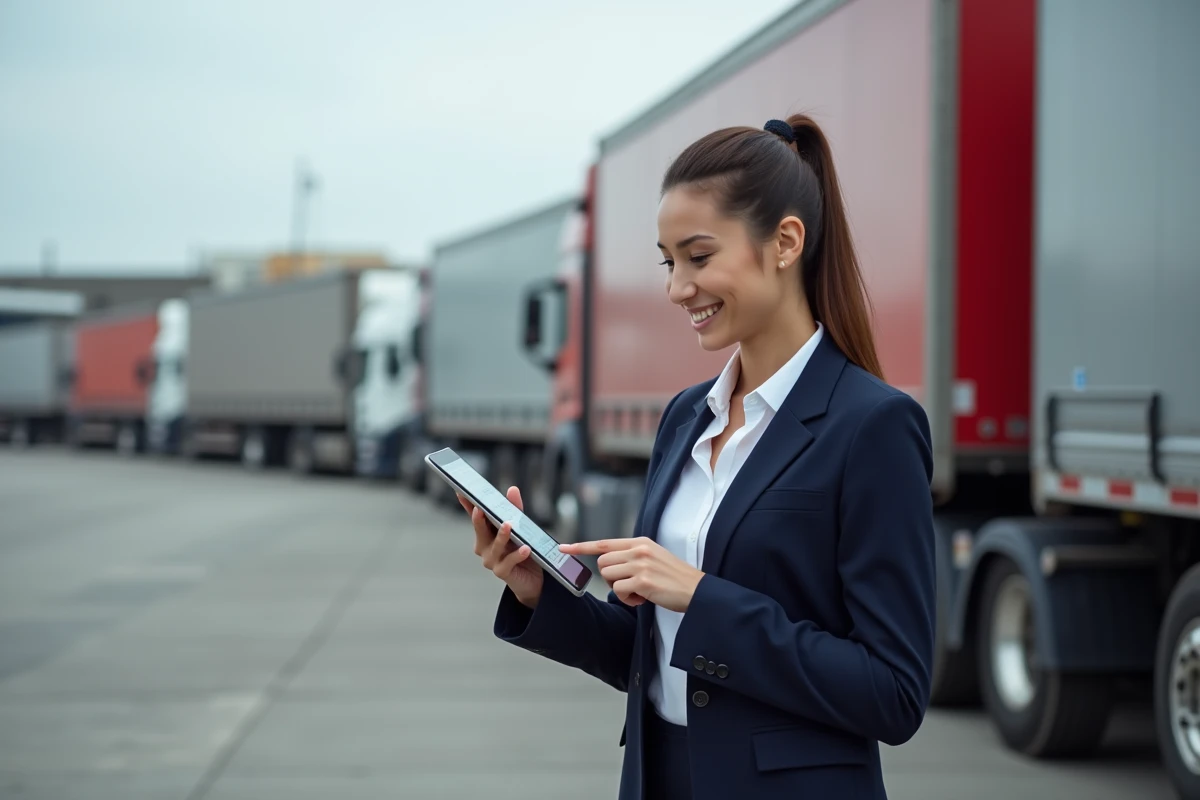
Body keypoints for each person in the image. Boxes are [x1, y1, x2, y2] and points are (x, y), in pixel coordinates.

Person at [458, 114, 936, 800]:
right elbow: (649, 654)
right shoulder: (687, 416)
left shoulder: (875, 427)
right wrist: (538, 592)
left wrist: (702, 596)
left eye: (699, 256)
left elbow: (892, 693)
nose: (678, 287)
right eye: (668, 260)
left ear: (785, 242)